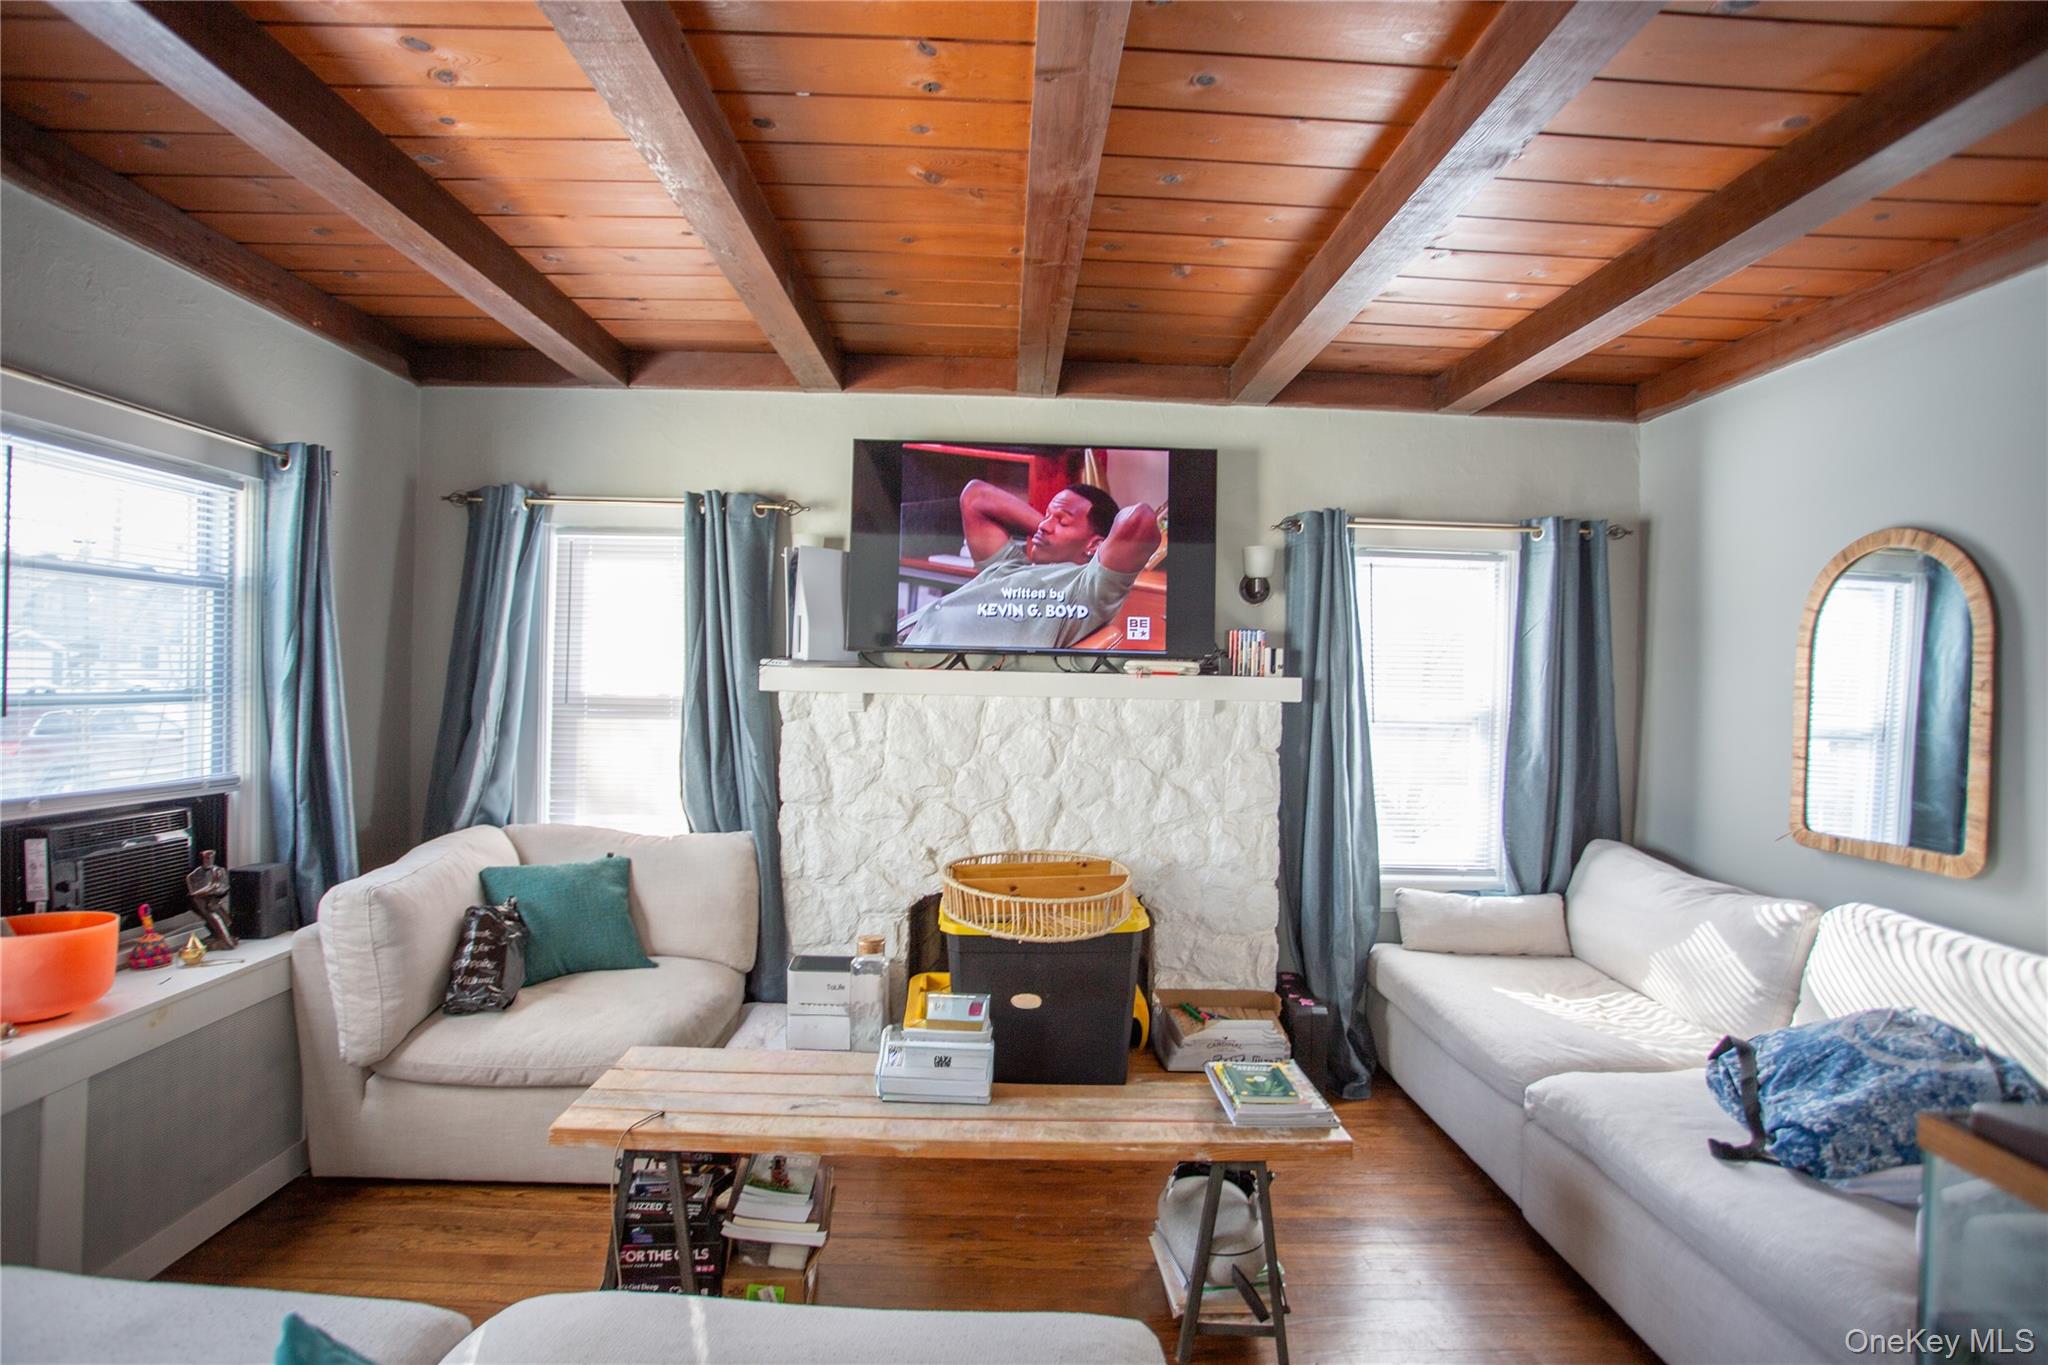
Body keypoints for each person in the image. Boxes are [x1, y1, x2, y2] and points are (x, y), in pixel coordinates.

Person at [903, 479, 1161, 650]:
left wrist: (1086, 549)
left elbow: (1139, 520)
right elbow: (975, 496)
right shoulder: (1011, 566)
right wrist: (1052, 529)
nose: (1043, 525)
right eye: (1047, 516)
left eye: (1062, 521)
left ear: (1095, 545)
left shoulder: (1086, 589)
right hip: (900, 643)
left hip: (923, 665)